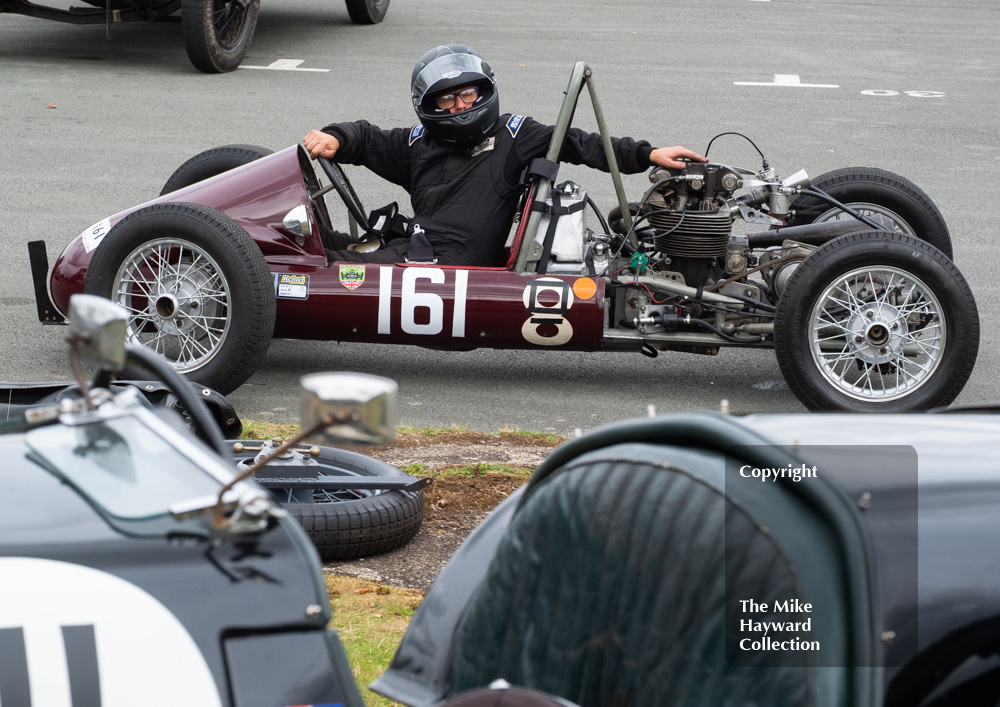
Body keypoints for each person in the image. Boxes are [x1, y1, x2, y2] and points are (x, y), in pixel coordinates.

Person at [303, 44, 706, 267]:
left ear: (484, 92)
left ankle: (247, 283)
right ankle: (242, 261)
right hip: (415, 245)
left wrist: (648, 153)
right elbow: (370, 138)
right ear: (428, 106)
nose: (460, 106)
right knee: (305, 239)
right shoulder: (417, 142)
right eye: (447, 100)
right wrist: (336, 138)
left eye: (468, 94)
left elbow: (582, 142)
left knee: (311, 266)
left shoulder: (516, 134)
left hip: (446, 263)